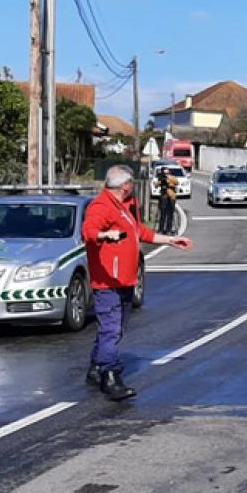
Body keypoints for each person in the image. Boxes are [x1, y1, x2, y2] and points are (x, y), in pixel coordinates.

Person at [83, 165, 194, 400]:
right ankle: (110, 376)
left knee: (116, 328)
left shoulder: (124, 206)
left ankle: (96, 366)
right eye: (132, 184)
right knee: (111, 329)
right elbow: (89, 231)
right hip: (107, 282)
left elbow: (140, 232)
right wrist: (105, 235)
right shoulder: (101, 206)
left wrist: (170, 240)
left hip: (125, 279)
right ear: (125, 186)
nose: (134, 187)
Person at [156, 166, 179, 235]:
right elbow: (156, 185)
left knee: (170, 214)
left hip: (171, 197)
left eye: (167, 171)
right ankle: (161, 229)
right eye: (164, 172)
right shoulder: (161, 178)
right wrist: (161, 180)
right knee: (163, 214)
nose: (166, 173)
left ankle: (169, 230)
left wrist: (168, 178)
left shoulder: (172, 177)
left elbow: (176, 182)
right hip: (163, 196)